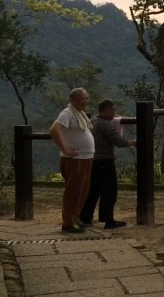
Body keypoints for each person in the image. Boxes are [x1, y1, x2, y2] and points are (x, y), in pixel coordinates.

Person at [80, 99, 137, 230]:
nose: (114, 113)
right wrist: (133, 142)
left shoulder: (93, 121)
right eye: (113, 110)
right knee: (109, 192)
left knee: (93, 191)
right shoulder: (106, 125)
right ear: (106, 110)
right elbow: (118, 141)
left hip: (93, 160)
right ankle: (108, 220)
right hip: (105, 161)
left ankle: (85, 217)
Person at [49, 88, 95, 233]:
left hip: (85, 157)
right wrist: (65, 148)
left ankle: (75, 217)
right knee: (73, 191)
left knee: (83, 190)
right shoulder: (67, 113)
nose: (85, 101)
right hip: (74, 159)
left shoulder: (80, 114)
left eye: (87, 98)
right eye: (82, 98)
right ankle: (68, 221)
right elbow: (54, 129)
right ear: (73, 99)